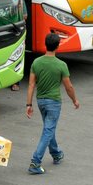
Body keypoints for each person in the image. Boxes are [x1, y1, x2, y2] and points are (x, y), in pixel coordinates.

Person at [25, 33, 80, 175]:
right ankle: (35, 162)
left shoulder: (36, 62)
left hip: (40, 101)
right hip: (54, 102)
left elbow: (31, 85)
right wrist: (74, 100)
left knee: (49, 129)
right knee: (48, 130)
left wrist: (28, 104)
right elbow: (69, 87)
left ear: (45, 44)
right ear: (57, 46)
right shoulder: (61, 65)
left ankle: (56, 154)